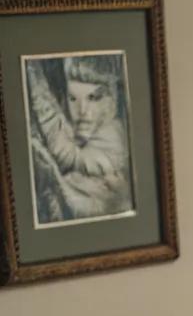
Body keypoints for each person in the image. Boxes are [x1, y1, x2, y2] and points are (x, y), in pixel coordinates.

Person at [26, 54, 133, 224]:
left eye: (93, 98)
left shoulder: (114, 136)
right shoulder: (90, 132)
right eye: (73, 98)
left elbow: (66, 156)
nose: (82, 110)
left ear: (112, 98)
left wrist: (35, 83)